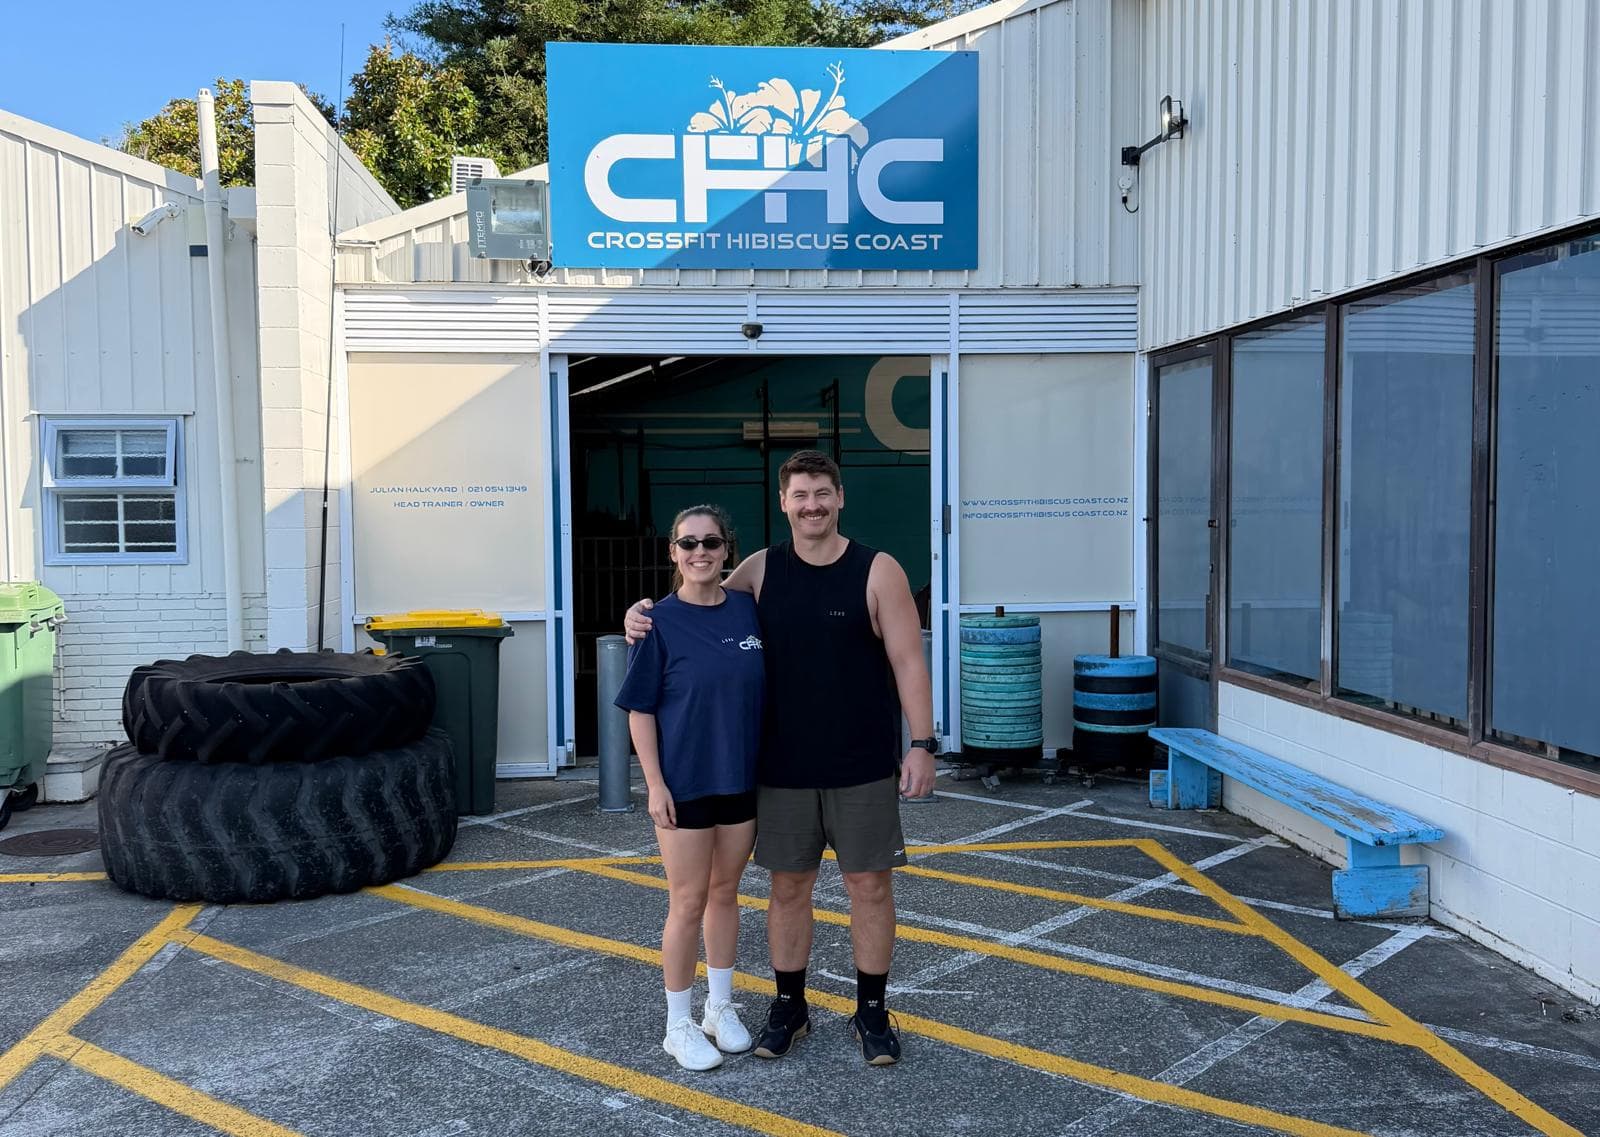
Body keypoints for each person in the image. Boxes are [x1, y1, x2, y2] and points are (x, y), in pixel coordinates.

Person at [626, 450, 936, 1067]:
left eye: (823, 492)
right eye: (800, 494)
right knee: (788, 889)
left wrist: (922, 744)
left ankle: (872, 1014)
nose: (812, 505)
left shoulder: (878, 571)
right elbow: (695, 596)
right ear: (784, 503)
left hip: (862, 763)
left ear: (840, 498)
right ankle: (789, 1008)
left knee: (868, 887)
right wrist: (641, 614)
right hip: (780, 768)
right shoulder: (760, 570)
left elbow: (908, 660)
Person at [613, 504, 764, 1072]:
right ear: (673, 552)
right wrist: (654, 785)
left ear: (728, 550)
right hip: (684, 783)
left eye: (711, 542)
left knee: (725, 894)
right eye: (688, 543)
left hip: (740, 779)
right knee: (687, 901)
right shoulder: (657, 622)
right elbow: (640, 709)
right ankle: (678, 1024)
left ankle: (719, 1009)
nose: (700, 552)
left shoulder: (751, 612)